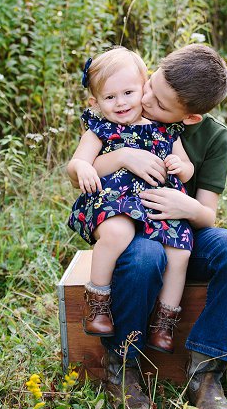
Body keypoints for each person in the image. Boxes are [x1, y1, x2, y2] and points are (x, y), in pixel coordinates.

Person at [86, 44, 227, 409]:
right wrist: (124, 157)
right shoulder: (125, 109)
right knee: (148, 257)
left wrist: (187, 208)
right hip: (134, 233)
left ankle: (205, 372)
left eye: (159, 103)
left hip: (183, 234)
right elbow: (86, 167)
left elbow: (208, 215)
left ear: (189, 116)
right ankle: (122, 364)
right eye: (149, 85)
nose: (144, 99)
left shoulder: (214, 138)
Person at [66, 47, 194, 355]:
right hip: (114, 202)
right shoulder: (100, 129)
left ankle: (164, 321)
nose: (121, 102)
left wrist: (180, 167)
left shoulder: (164, 128)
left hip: (157, 204)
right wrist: (83, 166)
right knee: (118, 232)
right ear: (94, 102)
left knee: (179, 251)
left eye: (128, 92)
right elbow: (77, 164)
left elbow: (186, 168)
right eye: (110, 97)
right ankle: (98, 303)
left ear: (144, 88)